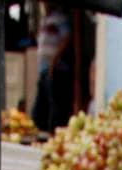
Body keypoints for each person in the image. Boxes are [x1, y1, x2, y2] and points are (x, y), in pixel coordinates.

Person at [31, 3, 72, 133]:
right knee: (39, 112)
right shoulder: (45, 20)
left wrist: (54, 61)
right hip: (44, 70)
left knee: (55, 111)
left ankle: (54, 137)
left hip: (55, 70)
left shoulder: (60, 18)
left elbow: (67, 37)